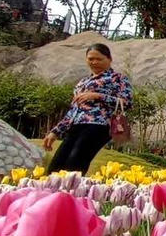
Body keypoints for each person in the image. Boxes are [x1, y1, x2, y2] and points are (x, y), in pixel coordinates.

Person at [44, 42, 134, 174]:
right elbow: (73, 110)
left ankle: (72, 192)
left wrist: (98, 96)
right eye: (91, 59)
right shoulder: (82, 83)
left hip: (99, 125)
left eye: (99, 59)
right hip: (77, 125)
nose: (94, 62)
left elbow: (127, 103)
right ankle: (53, 193)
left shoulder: (117, 79)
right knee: (56, 167)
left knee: (74, 165)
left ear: (109, 59)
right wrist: (55, 132)